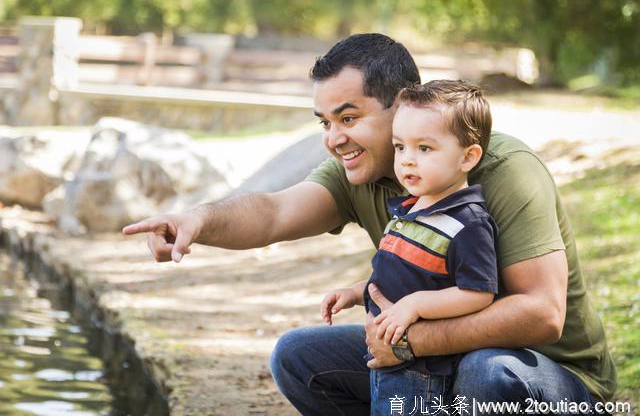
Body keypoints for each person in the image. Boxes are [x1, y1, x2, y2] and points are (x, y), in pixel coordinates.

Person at [123, 33, 616, 415]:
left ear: (402, 105)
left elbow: (541, 315)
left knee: (485, 373)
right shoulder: (359, 172)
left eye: (349, 117)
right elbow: (273, 213)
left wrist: (408, 342)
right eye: (324, 122)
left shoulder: (500, 168)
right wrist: (197, 221)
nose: (334, 138)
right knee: (298, 357)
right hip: (437, 368)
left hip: (550, 379)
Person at [321, 80, 499, 415]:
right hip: (386, 358)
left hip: (421, 370)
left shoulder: (467, 222)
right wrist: (357, 292)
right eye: (400, 147)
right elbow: (402, 276)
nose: (407, 161)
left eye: (425, 149)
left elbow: (479, 293)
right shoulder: (409, 209)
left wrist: (415, 305)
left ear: (468, 156)